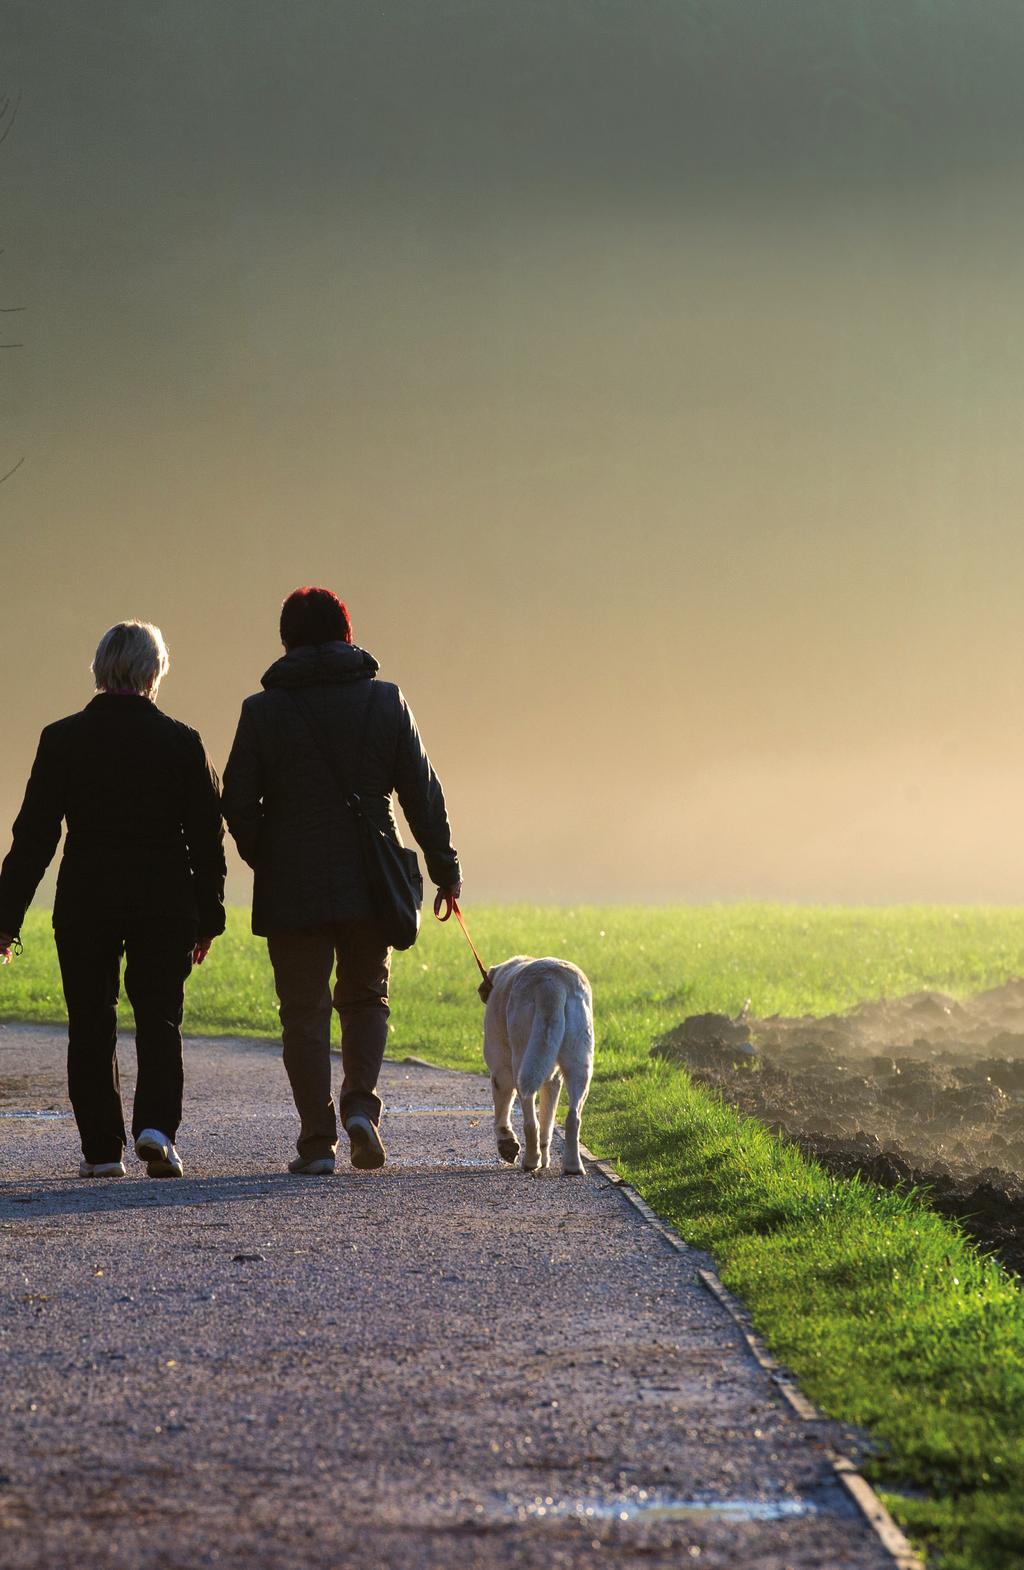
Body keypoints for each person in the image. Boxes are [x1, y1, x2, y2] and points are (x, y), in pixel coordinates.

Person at [222, 586, 461, 1175]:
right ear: (347, 634)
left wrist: (265, 855)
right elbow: (421, 793)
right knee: (365, 997)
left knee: (302, 1012)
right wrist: (443, 867)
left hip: (292, 883)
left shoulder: (262, 710)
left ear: (287, 640)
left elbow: (235, 800)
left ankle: (315, 1139)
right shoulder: (385, 701)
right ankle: (360, 1109)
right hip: (370, 876)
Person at [0, 621, 226, 1179]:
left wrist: (5, 919)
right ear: (154, 672)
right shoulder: (182, 740)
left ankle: (102, 1150)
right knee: (159, 1017)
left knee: (90, 1021)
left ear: (100, 670)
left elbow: (34, 837)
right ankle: (156, 1130)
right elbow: (207, 837)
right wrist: (210, 916)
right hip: (164, 898)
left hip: (86, 898)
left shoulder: (61, 738)